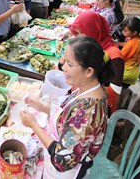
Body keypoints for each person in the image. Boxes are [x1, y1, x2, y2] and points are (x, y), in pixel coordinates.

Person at [20, 36, 109, 178]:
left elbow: (61, 160)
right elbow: (67, 117)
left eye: (70, 64)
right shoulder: (88, 88)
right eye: (64, 61)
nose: (64, 68)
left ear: (89, 71)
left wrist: (33, 125)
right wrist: (41, 107)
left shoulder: (88, 113)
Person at [69, 11, 124, 114]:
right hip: (80, 99)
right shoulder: (87, 49)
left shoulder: (114, 55)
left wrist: (83, 81)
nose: (79, 38)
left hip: (97, 108)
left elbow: (115, 92)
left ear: (95, 30)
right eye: (77, 33)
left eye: (82, 32)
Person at [119, 17, 140, 87]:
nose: (122, 32)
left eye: (125, 31)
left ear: (134, 32)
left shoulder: (131, 44)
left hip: (125, 74)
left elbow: (119, 59)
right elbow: (128, 45)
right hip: (133, 73)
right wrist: (117, 43)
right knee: (124, 89)